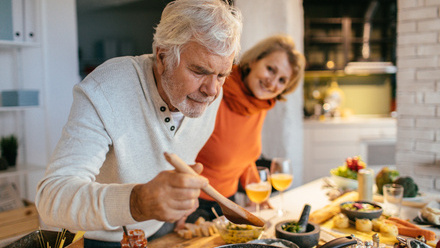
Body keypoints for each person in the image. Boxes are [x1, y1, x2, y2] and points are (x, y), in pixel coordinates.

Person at [35, 0, 242, 246]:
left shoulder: (207, 94)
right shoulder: (106, 89)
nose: (212, 90)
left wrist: (176, 200)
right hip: (97, 237)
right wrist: (136, 202)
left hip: (158, 229)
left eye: (222, 75)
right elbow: (52, 198)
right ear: (163, 56)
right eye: (198, 71)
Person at [186, 34, 305, 223]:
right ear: (253, 61)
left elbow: (244, 155)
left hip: (227, 203)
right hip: (191, 205)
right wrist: (181, 202)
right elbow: (178, 150)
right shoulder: (214, 90)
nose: (272, 83)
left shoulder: (259, 105)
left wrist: (258, 192)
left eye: (282, 80)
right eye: (270, 69)